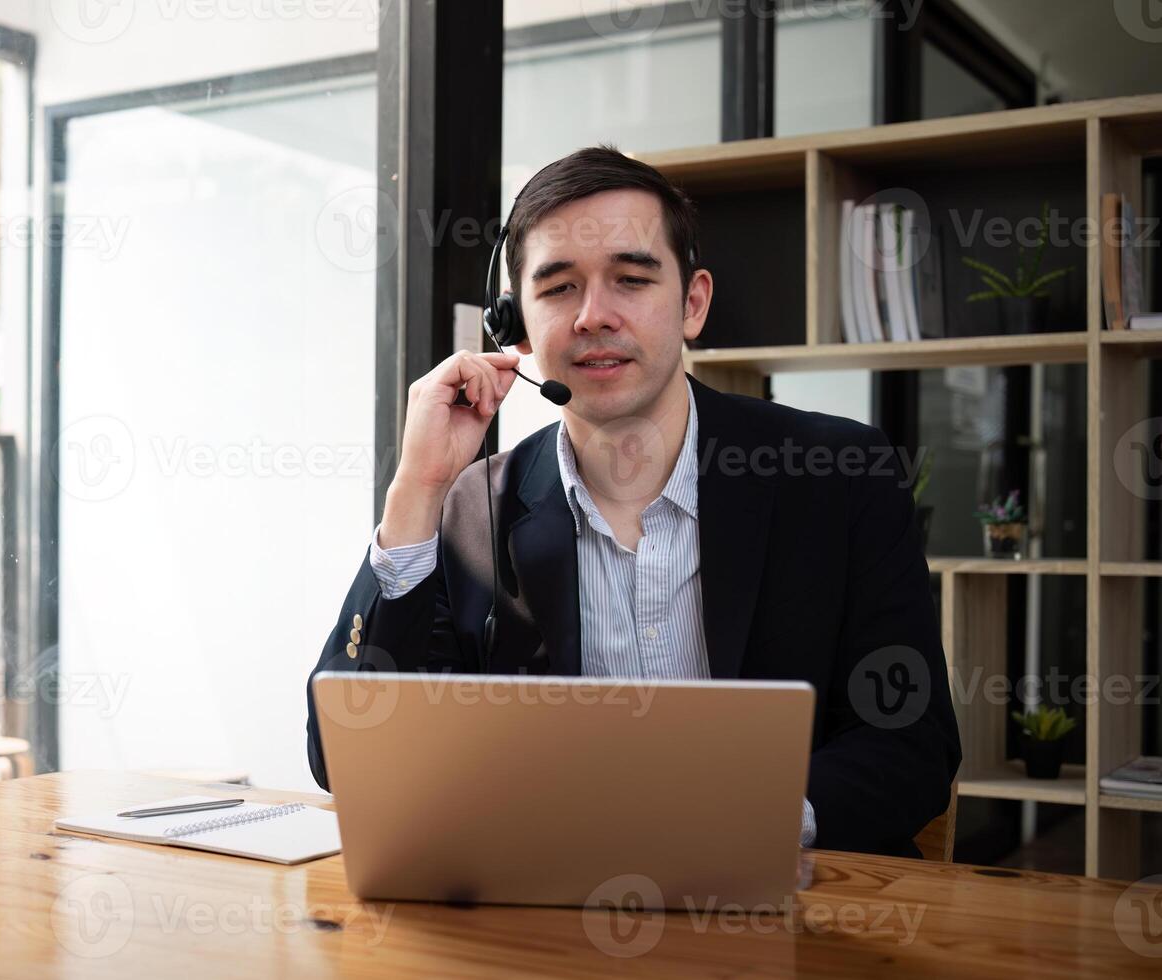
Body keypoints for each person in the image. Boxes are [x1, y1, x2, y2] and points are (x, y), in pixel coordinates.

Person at [305, 145, 960, 858]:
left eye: (631, 278)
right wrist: (416, 491)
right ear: (514, 328)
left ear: (693, 303)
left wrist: (740, 826)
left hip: (795, 915)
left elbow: (911, 744)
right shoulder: (469, 509)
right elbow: (347, 760)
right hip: (548, 920)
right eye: (557, 288)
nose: (594, 316)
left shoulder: (838, 474)